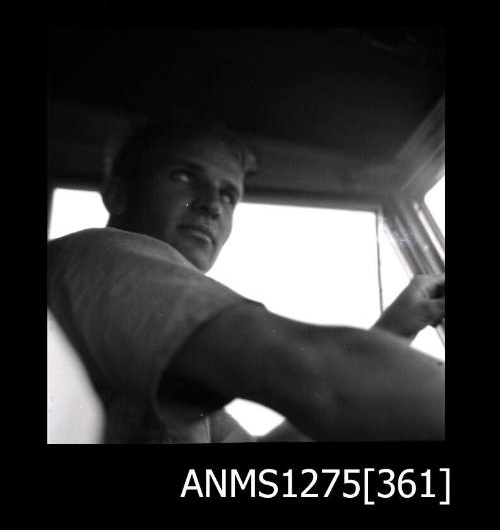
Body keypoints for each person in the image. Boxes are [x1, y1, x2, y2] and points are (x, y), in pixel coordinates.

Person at [47, 115, 445, 444]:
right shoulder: (98, 257)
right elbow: (315, 372)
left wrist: (397, 326)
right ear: (117, 195)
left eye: (228, 195)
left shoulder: (160, 348)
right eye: (184, 176)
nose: (210, 205)